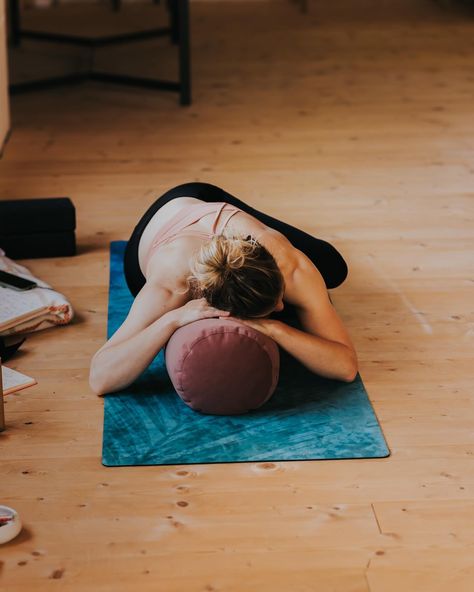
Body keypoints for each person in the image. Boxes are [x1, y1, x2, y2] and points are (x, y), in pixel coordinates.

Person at [89, 182, 358, 395]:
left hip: (203, 199)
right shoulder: (172, 285)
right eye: (275, 307)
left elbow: (346, 367)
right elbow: (100, 377)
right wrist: (172, 319)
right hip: (163, 225)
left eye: (277, 298)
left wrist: (273, 327)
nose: (282, 307)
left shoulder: (287, 262)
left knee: (332, 268)